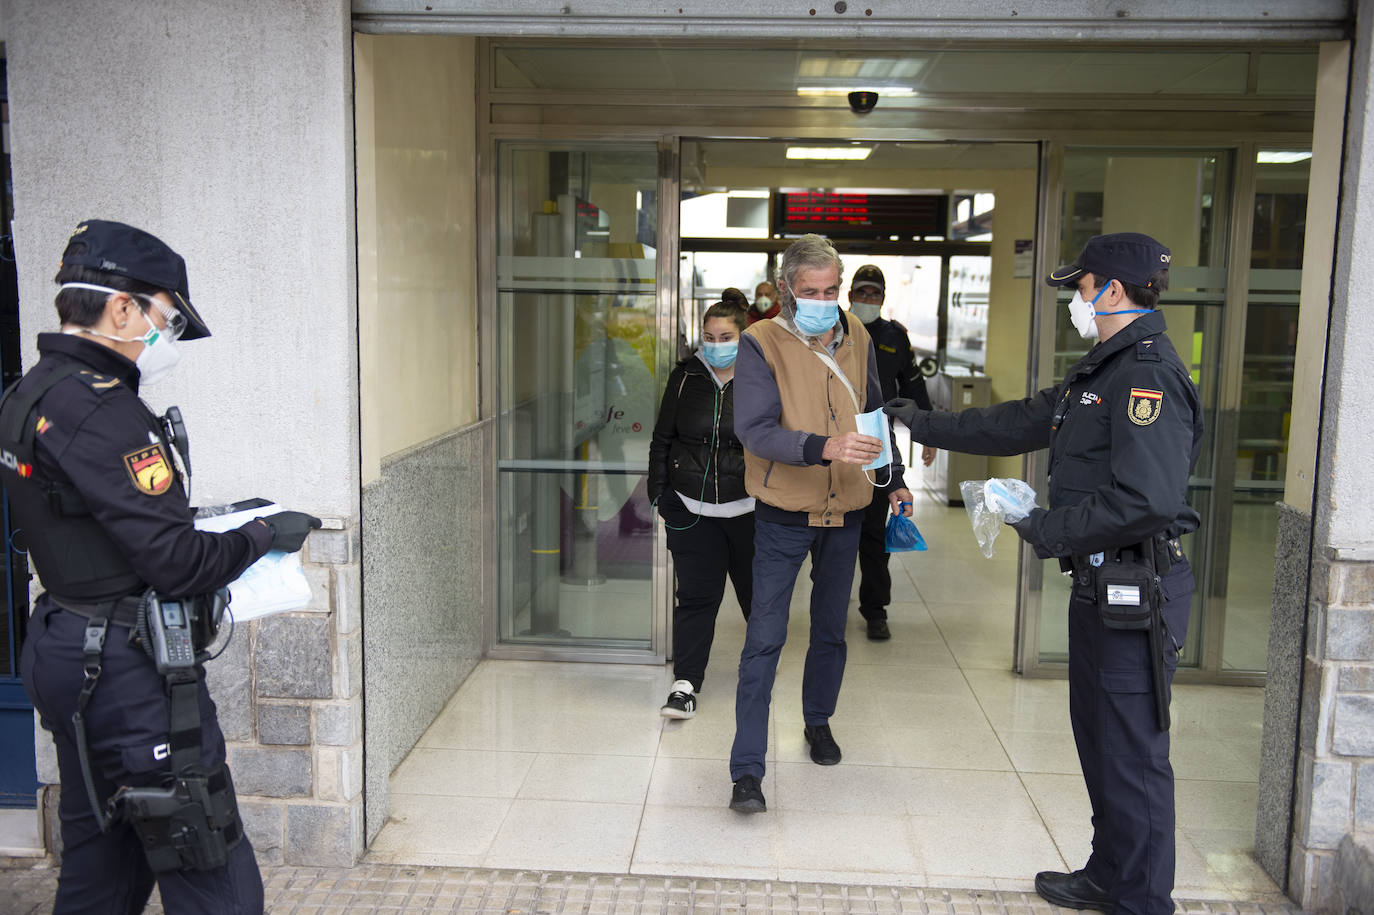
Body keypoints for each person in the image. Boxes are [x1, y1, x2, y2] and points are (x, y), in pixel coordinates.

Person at [10, 219, 321, 914]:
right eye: (167, 319)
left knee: (102, 870)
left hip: (67, 645)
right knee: (215, 877)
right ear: (121, 308)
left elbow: (92, 527)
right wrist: (262, 533)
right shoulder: (102, 412)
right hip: (126, 674)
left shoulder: (31, 392)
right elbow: (178, 562)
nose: (168, 339)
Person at [885, 232, 1201, 915]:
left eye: (1081, 286)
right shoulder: (1103, 369)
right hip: (1100, 589)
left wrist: (1041, 525)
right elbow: (1021, 421)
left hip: (1136, 591)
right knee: (1099, 741)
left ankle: (1142, 901)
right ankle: (1109, 871)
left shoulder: (1146, 373)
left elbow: (1146, 501)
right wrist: (923, 424)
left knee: (1134, 756)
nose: (1075, 299)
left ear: (1114, 290)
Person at [727, 234, 913, 813]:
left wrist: (896, 475)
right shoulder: (760, 343)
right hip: (784, 510)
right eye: (811, 291)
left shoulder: (856, 333)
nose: (824, 300)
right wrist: (822, 446)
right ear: (786, 290)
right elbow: (754, 430)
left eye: (832, 290)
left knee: (831, 631)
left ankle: (818, 722)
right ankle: (747, 770)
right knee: (765, 638)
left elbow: (875, 411)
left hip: (848, 512)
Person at [648, 288, 754, 719]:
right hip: (692, 513)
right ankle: (685, 685)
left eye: (725, 336)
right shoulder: (686, 376)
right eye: (709, 336)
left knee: (759, 599)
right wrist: (661, 496)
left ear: (743, 337)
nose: (715, 344)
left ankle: (760, 670)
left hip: (750, 512)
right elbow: (662, 438)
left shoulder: (762, 377)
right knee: (695, 600)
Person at [845, 264, 937, 641]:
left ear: (883, 299)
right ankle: (828, 608)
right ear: (849, 295)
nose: (867, 300)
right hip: (831, 443)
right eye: (861, 293)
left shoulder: (894, 337)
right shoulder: (831, 329)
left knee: (871, 536)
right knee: (828, 537)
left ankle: (875, 609)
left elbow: (914, 386)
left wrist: (928, 434)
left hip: (877, 444)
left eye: (874, 295)